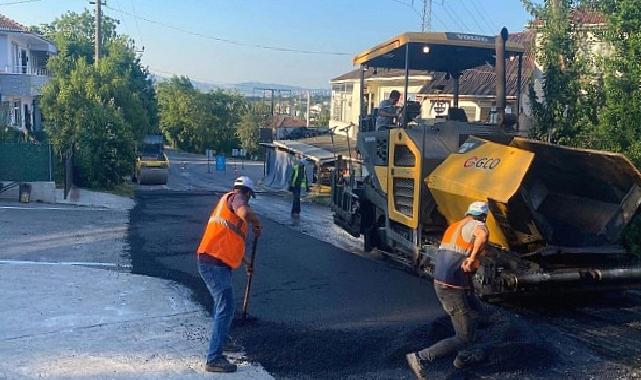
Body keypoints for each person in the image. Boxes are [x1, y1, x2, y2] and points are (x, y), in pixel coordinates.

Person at [406, 201, 490, 378]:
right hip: (452, 288)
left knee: (478, 313)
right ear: (484, 216)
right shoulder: (479, 225)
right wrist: (473, 257)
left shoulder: (454, 226)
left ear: (468, 213)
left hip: (447, 283)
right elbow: (481, 235)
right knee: (463, 336)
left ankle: (465, 356)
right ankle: (421, 357)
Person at [196, 176, 262, 373]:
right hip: (212, 263)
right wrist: (257, 223)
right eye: (249, 196)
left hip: (218, 262)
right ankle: (213, 358)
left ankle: (223, 339)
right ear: (248, 193)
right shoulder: (236, 199)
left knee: (224, 304)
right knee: (226, 305)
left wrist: (245, 263)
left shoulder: (230, 209)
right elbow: (245, 211)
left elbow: (230, 240)